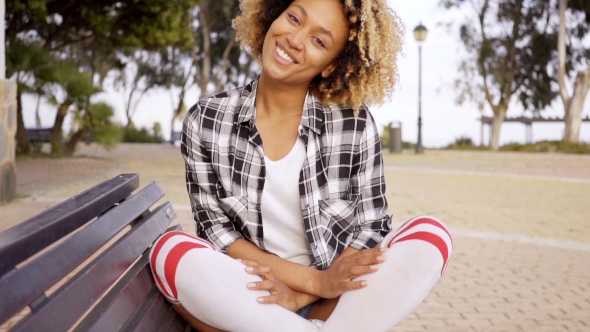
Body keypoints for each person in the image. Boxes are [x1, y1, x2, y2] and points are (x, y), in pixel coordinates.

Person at [149, 0, 453, 331]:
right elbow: (217, 233)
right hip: (251, 297)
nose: (295, 39)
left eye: (318, 41)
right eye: (294, 18)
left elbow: (370, 228)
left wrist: (308, 294)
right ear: (273, 15)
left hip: (335, 300)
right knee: (169, 251)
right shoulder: (205, 120)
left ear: (330, 66)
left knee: (431, 235)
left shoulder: (354, 123)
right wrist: (312, 281)